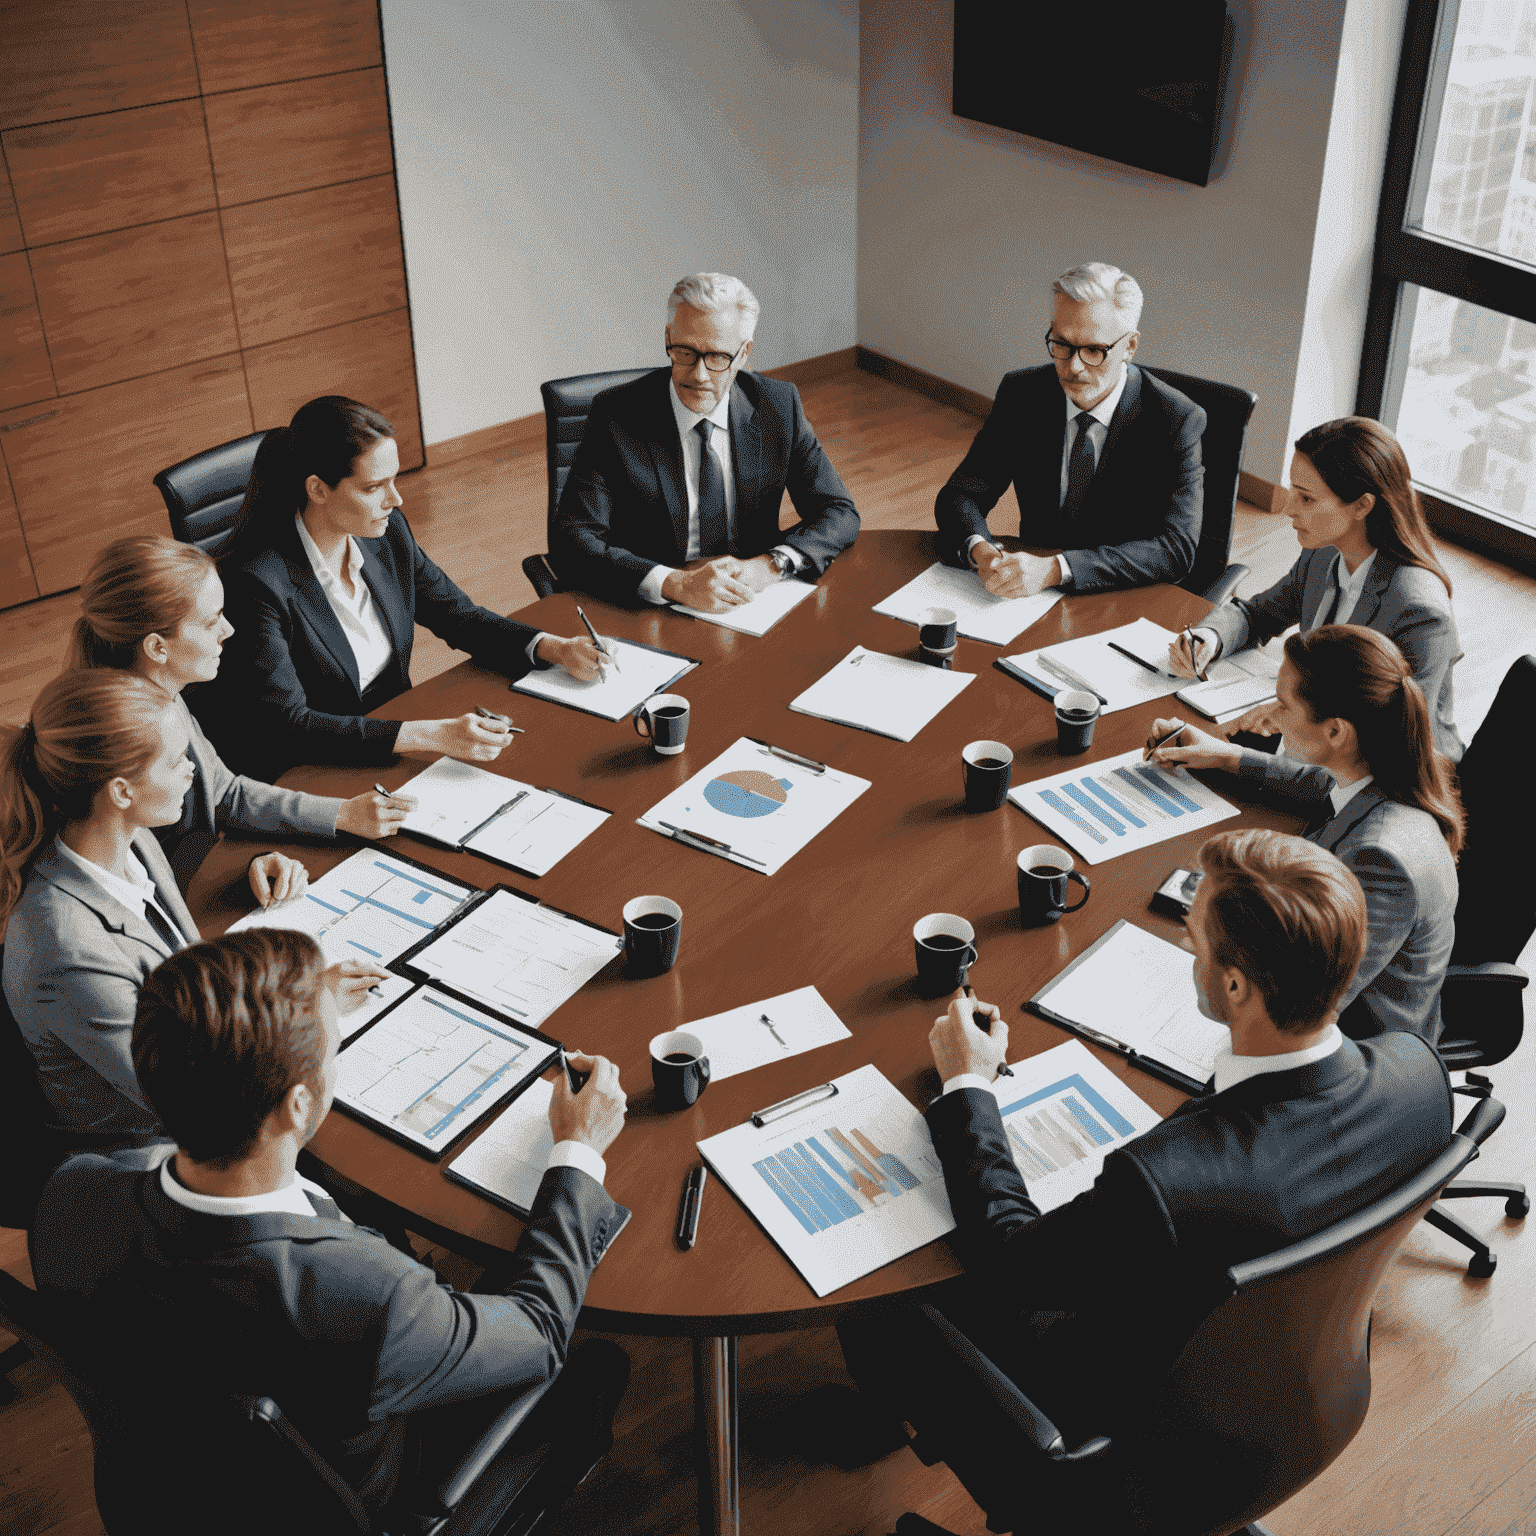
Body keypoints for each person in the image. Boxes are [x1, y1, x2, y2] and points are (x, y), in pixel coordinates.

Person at [838, 828, 1451, 1464]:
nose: (1188, 946)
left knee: (885, 1275)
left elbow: (1010, 1264)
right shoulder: (1420, 1075)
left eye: (1197, 941)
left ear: (1237, 987)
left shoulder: (1166, 1180)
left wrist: (967, 1083)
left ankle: (886, 1420)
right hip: (1308, 1394)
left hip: (1124, 1429)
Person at [30, 929, 630, 1516]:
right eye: (328, 1042)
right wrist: (578, 1148)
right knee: (597, 1368)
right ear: (296, 1105)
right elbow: (541, 1331)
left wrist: (296, 1016)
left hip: (162, 1493)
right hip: (367, 1487)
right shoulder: (365, 1295)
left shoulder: (73, 1193)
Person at [0, 670, 383, 1148]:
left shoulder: (129, 837)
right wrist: (313, 1015)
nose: (193, 771)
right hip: (160, 1147)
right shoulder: (66, 949)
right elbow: (206, 1109)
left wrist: (296, 999)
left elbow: (176, 961)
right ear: (122, 791)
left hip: (205, 1058)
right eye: (177, 760)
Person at [200, 396, 611, 783]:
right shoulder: (253, 582)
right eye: (372, 487)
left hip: (390, 741)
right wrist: (429, 736)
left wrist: (552, 647)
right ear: (318, 489)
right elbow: (290, 725)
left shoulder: (386, 534)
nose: (395, 500)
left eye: (393, 480)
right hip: (311, 768)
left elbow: (457, 615)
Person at [1148, 624, 1462, 1040]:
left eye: (1282, 704)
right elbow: (1319, 783)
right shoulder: (1381, 772)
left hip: (1361, 1045)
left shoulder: (1379, 862)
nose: (1271, 717)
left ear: (1335, 731)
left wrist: (1209, 951)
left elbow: (1312, 1006)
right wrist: (1224, 756)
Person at [70, 534, 413, 892]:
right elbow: (147, 873)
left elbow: (222, 792)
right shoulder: (121, 736)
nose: (229, 630)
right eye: (210, 621)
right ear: (157, 647)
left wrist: (341, 814)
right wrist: (236, 873)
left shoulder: (159, 692)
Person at [548, 271, 860, 610]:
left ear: (743, 355)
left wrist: (769, 565)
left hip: (750, 600)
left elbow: (838, 511)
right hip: (656, 602)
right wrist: (674, 582)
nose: (697, 375)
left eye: (717, 358)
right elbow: (573, 539)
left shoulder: (778, 406)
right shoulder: (615, 415)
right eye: (685, 351)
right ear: (668, 337)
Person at [1169, 416, 1464, 761]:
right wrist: (1209, 638)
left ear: (1362, 506)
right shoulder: (1323, 553)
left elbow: (1388, 755)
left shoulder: (1419, 613)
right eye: (1293, 492)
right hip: (1314, 744)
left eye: (1306, 499)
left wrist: (1241, 756)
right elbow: (1259, 614)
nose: (1288, 509)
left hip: (1386, 781)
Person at [934, 261, 1205, 595]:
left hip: (1120, 594)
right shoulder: (1024, 393)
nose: (1073, 367)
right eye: (1061, 343)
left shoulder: (1174, 418)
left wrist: (1056, 570)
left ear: (1130, 346)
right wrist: (981, 549)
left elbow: (1176, 548)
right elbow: (961, 494)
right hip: (1030, 599)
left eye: (1093, 350)